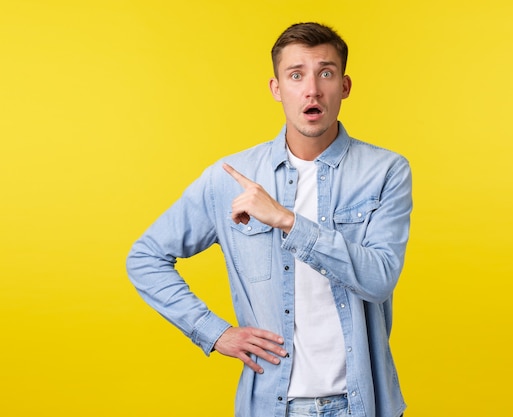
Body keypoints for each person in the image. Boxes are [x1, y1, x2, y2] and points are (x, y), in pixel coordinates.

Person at [126, 22, 411, 417]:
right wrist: (214, 333)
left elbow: (379, 279)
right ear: (277, 89)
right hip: (272, 406)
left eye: (325, 73)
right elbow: (146, 257)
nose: (312, 89)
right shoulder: (229, 178)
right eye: (296, 75)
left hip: (361, 404)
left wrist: (286, 220)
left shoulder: (385, 171)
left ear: (344, 86)